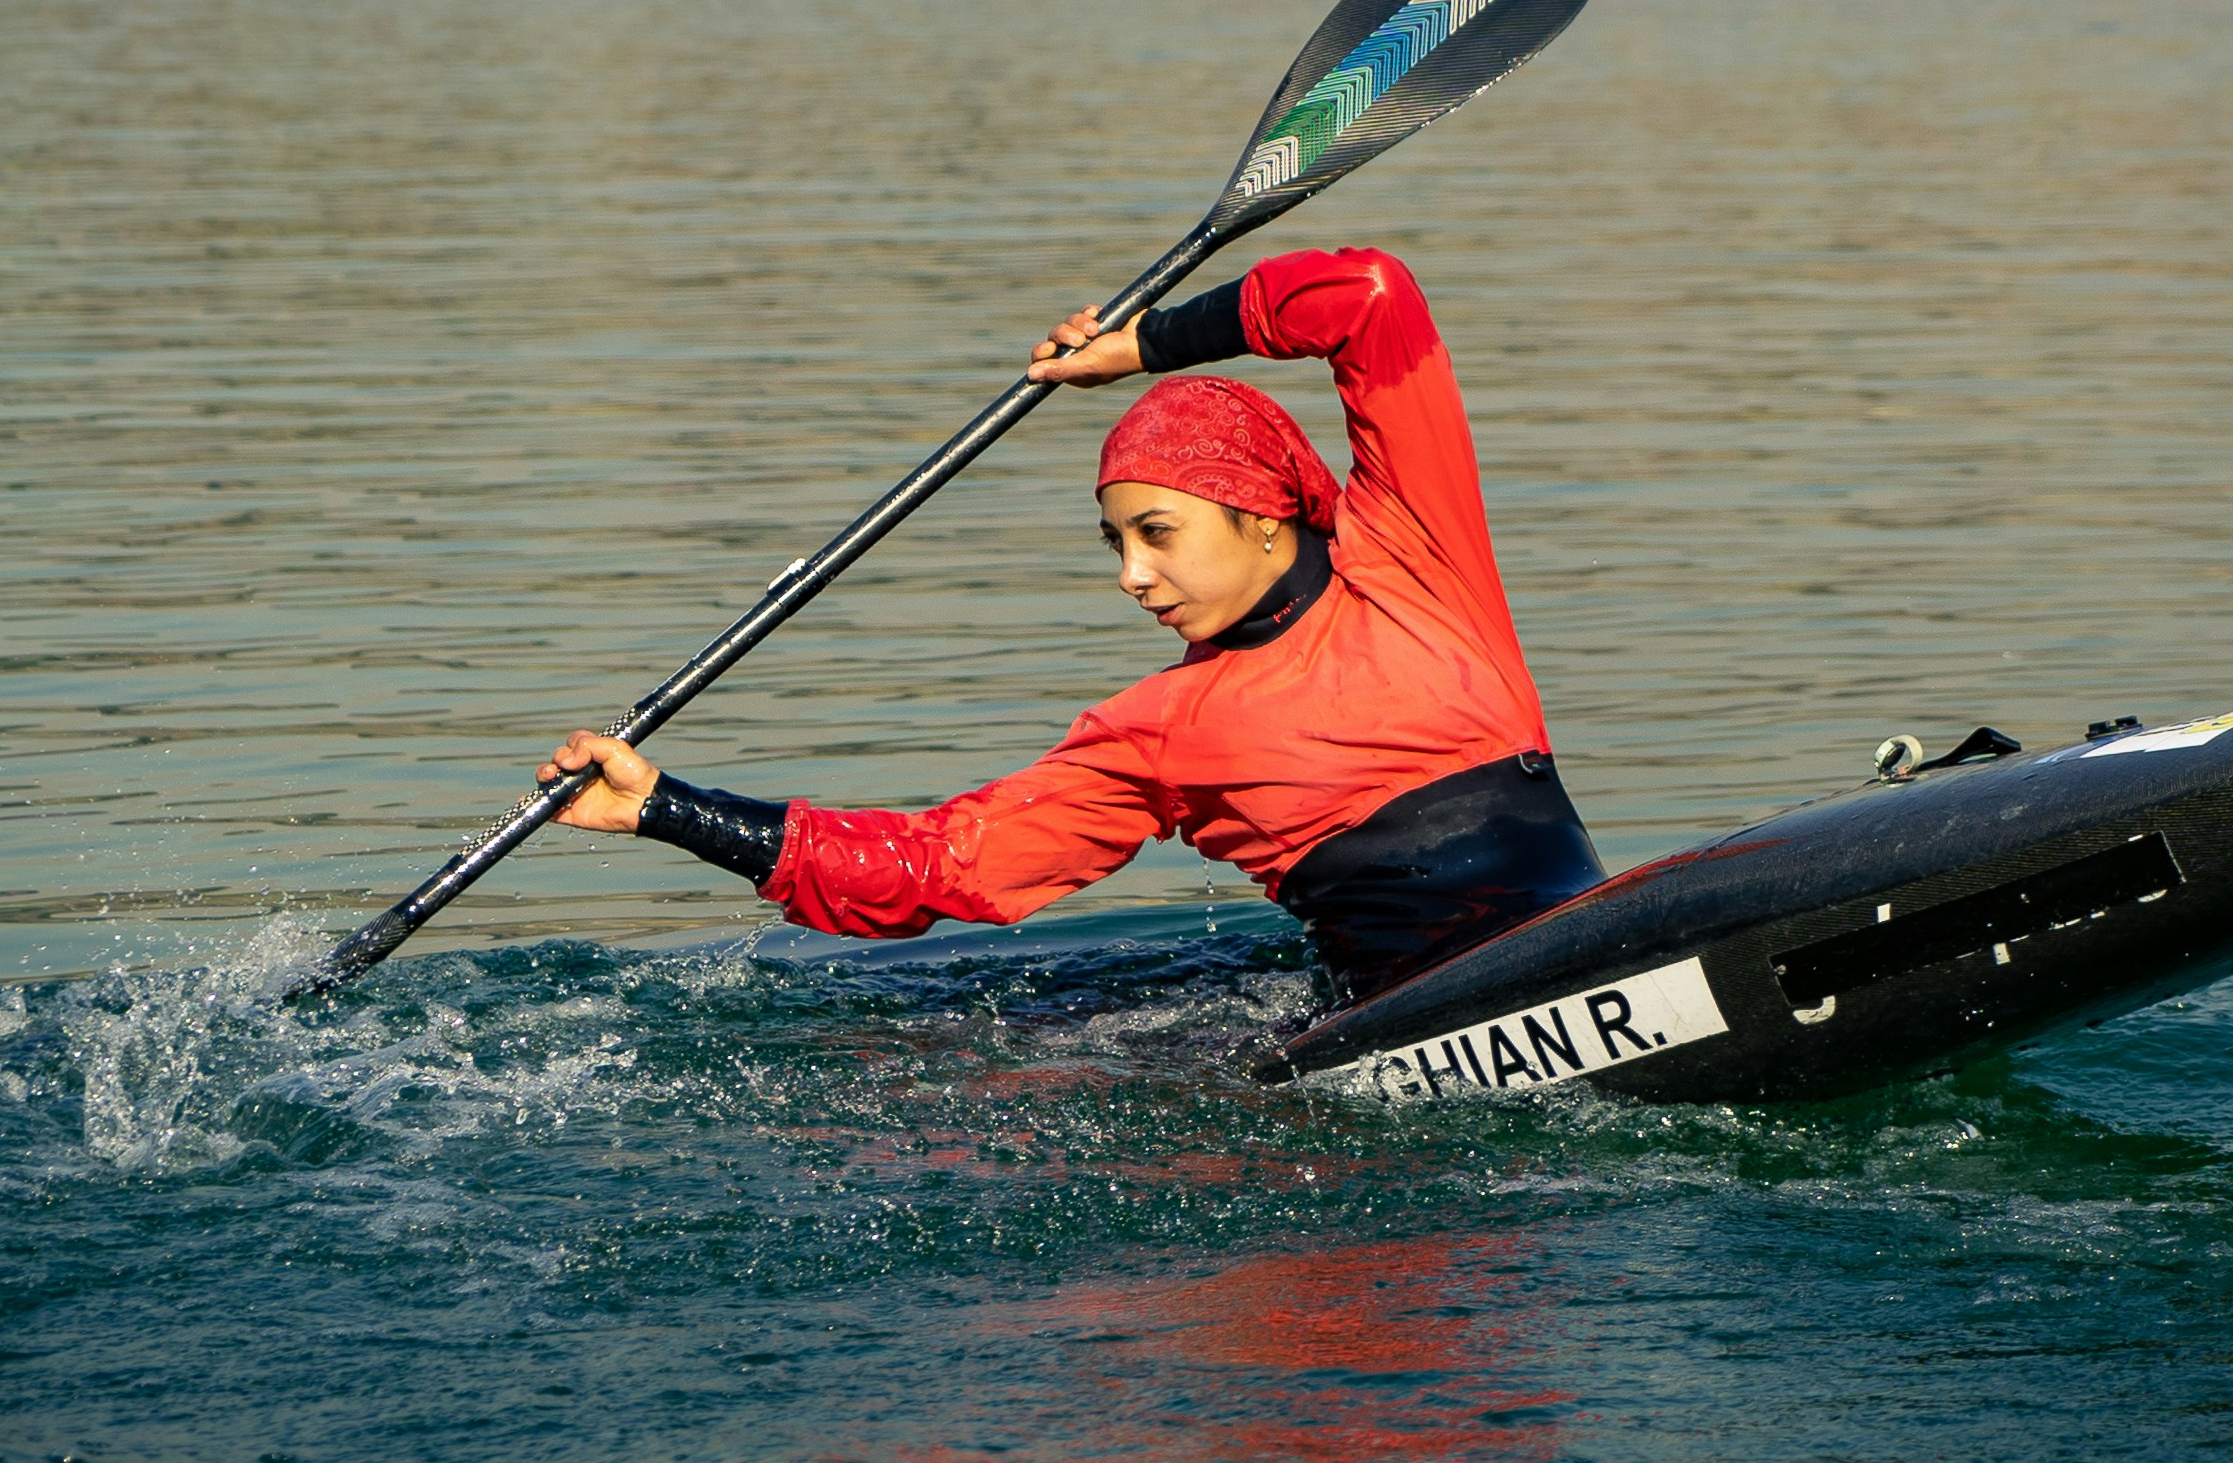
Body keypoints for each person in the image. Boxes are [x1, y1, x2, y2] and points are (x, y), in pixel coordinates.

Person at [537, 248, 1602, 1003]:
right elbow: (936, 868)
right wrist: (669, 810)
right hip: (1403, 1020)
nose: (1133, 577)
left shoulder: (1418, 561)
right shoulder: (1159, 729)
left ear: (1264, 516)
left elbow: (1367, 297)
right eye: (1114, 545)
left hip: (1597, 939)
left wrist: (1141, 347)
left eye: (1157, 532)